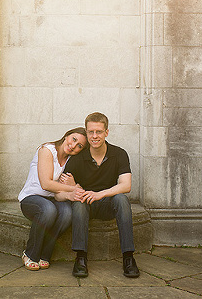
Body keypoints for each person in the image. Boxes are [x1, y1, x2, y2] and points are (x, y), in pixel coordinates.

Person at [61, 111, 140, 278]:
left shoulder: (119, 154)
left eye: (98, 131)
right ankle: (81, 258)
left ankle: (128, 258)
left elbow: (126, 186)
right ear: (86, 132)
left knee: (122, 199)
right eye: (91, 132)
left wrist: (100, 194)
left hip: (107, 203)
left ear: (106, 132)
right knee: (79, 201)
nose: (94, 136)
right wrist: (74, 187)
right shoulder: (77, 157)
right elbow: (63, 189)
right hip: (86, 204)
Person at [17, 127, 88, 270]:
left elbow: (59, 193)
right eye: (73, 139)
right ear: (67, 135)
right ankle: (30, 253)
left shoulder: (71, 160)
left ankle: (45, 254)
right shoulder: (47, 150)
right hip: (32, 198)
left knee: (67, 213)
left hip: (53, 199)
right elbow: (46, 184)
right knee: (48, 210)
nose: (74, 146)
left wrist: (71, 191)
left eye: (79, 146)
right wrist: (74, 188)